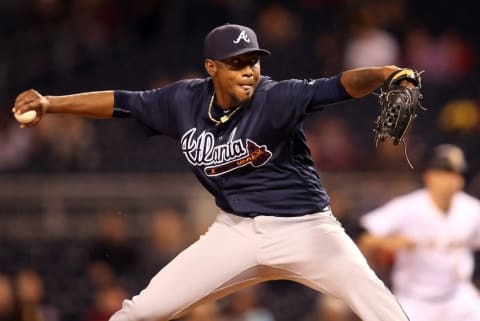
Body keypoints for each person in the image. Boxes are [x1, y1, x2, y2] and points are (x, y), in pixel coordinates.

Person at [13, 24, 414, 321]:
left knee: (382, 310)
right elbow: (122, 103)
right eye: (237, 63)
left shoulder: (277, 97)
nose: (248, 70)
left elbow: (338, 86)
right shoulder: (181, 100)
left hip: (306, 229)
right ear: (212, 67)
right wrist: (51, 103)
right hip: (234, 232)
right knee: (139, 312)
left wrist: (382, 75)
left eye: (253, 61)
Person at [359, 144, 480, 321]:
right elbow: (361, 234)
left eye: (456, 174)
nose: (452, 180)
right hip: (414, 302)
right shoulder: (407, 207)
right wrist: (387, 242)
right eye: (445, 173)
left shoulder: (472, 209)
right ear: (429, 176)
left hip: (459, 297)